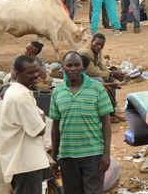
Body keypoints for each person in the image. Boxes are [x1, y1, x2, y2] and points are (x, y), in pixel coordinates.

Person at [50, 51, 114, 194]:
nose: (73, 68)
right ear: (63, 67)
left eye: (76, 65)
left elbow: (106, 122)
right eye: (69, 65)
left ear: (82, 67)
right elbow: (55, 126)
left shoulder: (97, 88)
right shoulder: (57, 92)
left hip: (93, 154)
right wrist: (54, 157)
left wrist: (106, 154)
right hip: (67, 155)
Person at [0, 55, 50, 193]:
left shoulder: (18, 92)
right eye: (29, 73)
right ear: (16, 74)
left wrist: (40, 116)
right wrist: (41, 116)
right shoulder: (20, 96)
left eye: (36, 71)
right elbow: (40, 129)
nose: (35, 75)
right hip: (26, 164)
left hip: (24, 163)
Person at [78, 34, 125, 121]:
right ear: (92, 42)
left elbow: (102, 67)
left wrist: (111, 74)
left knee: (109, 78)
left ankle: (112, 110)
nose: (99, 47)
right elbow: (93, 72)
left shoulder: (96, 51)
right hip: (80, 78)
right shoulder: (85, 53)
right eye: (97, 44)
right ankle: (106, 112)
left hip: (87, 76)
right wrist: (111, 74)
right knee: (100, 80)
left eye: (101, 45)